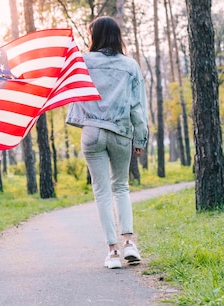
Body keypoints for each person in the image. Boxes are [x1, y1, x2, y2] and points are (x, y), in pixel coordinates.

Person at [66, 16, 149, 269]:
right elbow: (137, 105)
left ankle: (112, 253)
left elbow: (65, 84)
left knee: (101, 191)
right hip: (121, 131)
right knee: (121, 187)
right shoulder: (130, 65)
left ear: (95, 36)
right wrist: (140, 137)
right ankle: (128, 243)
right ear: (117, 36)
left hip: (92, 131)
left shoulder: (82, 61)